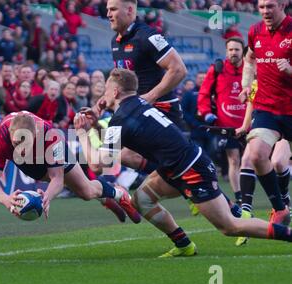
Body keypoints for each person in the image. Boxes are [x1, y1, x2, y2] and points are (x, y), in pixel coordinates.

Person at [75, 68, 292, 248]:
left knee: (229, 227)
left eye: (105, 89)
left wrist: (83, 132)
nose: (103, 95)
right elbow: (125, 134)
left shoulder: (120, 119)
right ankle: (184, 245)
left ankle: (288, 234)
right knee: (141, 199)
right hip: (176, 167)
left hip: (191, 170)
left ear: (114, 91)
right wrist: (95, 125)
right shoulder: (138, 105)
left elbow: (98, 164)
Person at [0, 111, 139, 223]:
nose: (21, 149)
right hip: (32, 163)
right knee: (83, 190)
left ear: (35, 133)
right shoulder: (1, 136)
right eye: (17, 143)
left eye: (26, 143)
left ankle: (118, 193)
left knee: (86, 191)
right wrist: (6, 200)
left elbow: (57, 178)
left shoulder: (50, 135)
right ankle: (104, 198)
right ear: (10, 134)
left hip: (47, 152)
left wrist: (46, 198)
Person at [238, 0, 292, 226]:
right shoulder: (255, 31)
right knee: (257, 154)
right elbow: (250, 59)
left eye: (270, 6)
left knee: (280, 162)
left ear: (283, 5)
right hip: (266, 107)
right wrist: (246, 83)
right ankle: (280, 209)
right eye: (261, 7)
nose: (265, 11)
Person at [107, 0, 187, 130]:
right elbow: (119, 79)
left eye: (113, 9)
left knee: (122, 149)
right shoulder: (115, 41)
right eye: (108, 9)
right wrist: (102, 103)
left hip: (160, 111)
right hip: (135, 112)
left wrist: (150, 96)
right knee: (110, 146)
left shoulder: (148, 36)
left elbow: (179, 70)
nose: (108, 14)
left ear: (130, 10)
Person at [198, 37, 247, 205]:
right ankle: (240, 196)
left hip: (249, 123)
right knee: (234, 160)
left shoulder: (250, 68)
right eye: (231, 50)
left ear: (243, 51)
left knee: (251, 159)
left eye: (237, 50)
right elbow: (204, 92)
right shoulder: (217, 69)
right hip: (226, 125)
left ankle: (249, 192)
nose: (233, 53)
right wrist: (206, 113)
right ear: (226, 51)